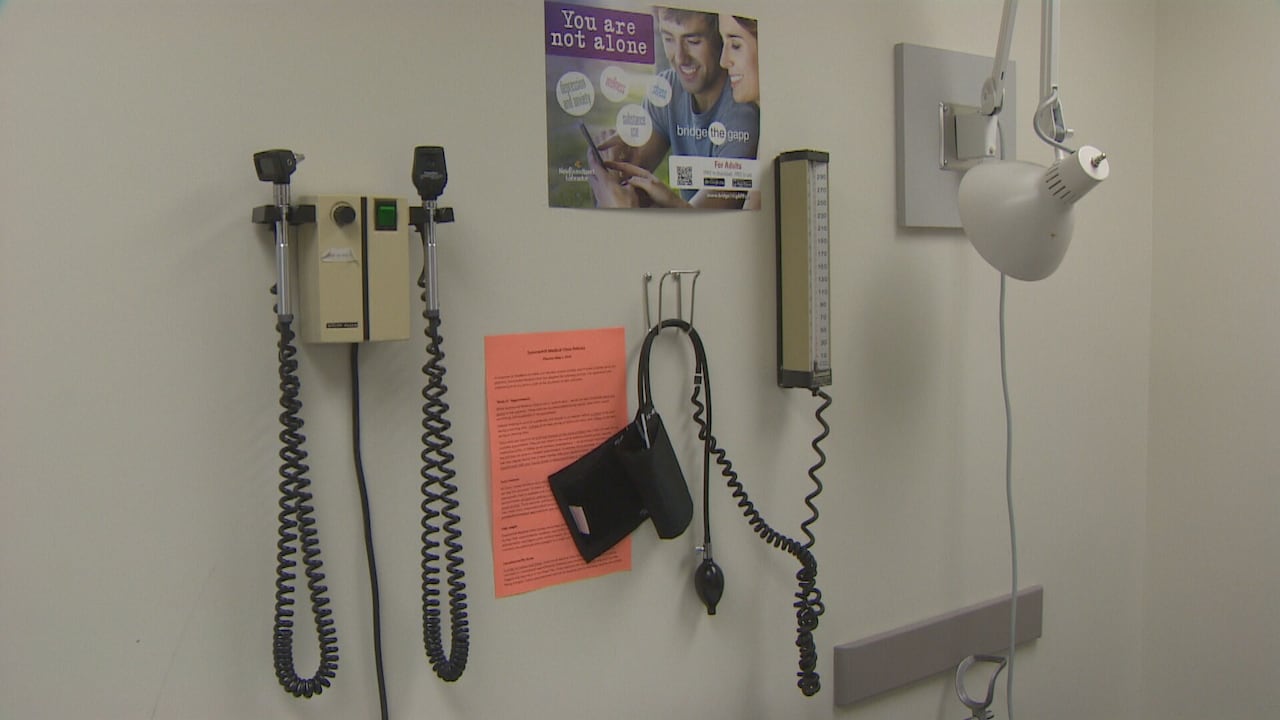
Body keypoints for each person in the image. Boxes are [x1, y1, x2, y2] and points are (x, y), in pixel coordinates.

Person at [590, 8, 758, 209]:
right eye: (668, 38)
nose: (679, 58)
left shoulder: (742, 115)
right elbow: (626, 188)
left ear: (718, 40)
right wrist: (611, 169)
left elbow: (702, 221)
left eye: (693, 41)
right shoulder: (667, 89)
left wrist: (622, 204)